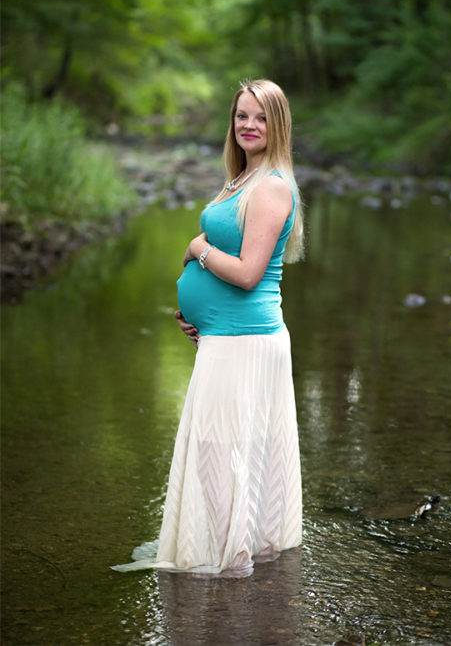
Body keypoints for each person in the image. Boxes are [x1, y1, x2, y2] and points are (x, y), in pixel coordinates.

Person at [113, 79, 305, 577]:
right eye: (242, 115)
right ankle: (233, 550)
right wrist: (198, 309)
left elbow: (246, 273)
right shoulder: (241, 179)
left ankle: (226, 559)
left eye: (261, 117)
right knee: (218, 451)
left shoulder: (272, 187)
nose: (249, 125)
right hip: (225, 336)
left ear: (277, 124)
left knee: (219, 450)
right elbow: (226, 243)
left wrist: (197, 250)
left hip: (246, 341)